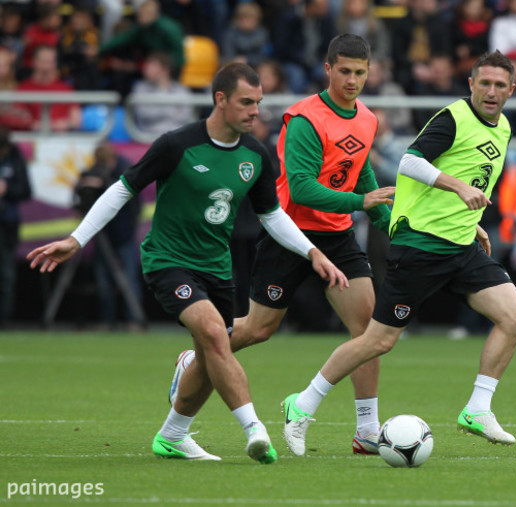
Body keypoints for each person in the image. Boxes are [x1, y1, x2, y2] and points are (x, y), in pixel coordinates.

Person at [27, 62, 348, 464]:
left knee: (211, 352)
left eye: (259, 103)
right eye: (246, 103)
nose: (256, 111)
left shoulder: (257, 155)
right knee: (216, 335)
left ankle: (172, 435)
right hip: (168, 260)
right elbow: (122, 189)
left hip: (218, 269)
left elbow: (272, 215)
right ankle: (256, 430)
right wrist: (76, 239)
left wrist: (313, 252)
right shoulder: (177, 144)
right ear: (220, 100)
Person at [281, 50, 516, 456]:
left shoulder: (502, 127)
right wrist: (459, 188)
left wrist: (472, 223)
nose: (491, 91)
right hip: (421, 245)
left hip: (461, 245)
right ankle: (303, 403)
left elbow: (469, 178)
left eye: (499, 85)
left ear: (511, 90)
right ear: (470, 84)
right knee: (378, 341)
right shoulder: (453, 118)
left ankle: (477, 409)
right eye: (483, 83)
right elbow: (409, 163)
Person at [171, 33, 395, 455]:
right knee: (258, 330)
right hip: (290, 234)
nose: (352, 80)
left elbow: (361, 173)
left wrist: (386, 219)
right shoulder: (305, 118)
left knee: (367, 329)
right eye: (344, 71)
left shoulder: (367, 118)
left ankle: (367, 431)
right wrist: (362, 202)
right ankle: (193, 356)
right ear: (327, 69)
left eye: (360, 73)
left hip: (339, 235)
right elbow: (304, 189)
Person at [73, 142, 144, 331]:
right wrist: (84, 185)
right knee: (103, 280)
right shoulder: (91, 173)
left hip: (123, 233)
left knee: (129, 279)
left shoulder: (126, 173)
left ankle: (133, 320)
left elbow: (134, 205)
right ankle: (107, 320)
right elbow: (78, 199)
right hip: (102, 234)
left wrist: (104, 184)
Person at [0, 126, 31, 329]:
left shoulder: (14, 156)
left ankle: (4, 320)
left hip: (6, 225)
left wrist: (7, 188)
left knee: (6, 274)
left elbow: (26, 190)